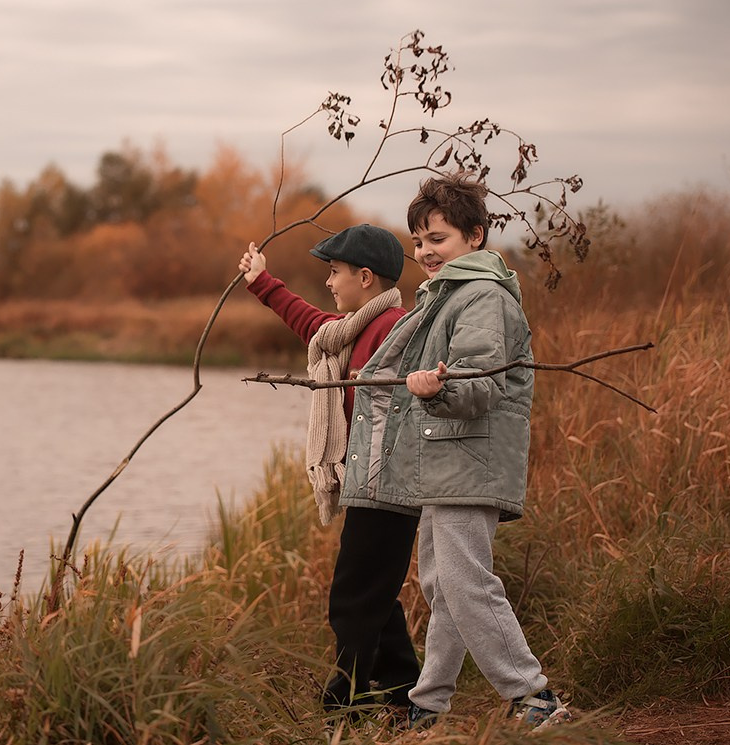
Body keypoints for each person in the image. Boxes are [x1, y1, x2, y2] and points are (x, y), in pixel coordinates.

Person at [345, 173, 571, 730]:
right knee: (440, 583)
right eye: (418, 242)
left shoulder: (482, 297)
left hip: (469, 461)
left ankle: (533, 697)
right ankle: (428, 702)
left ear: (474, 236)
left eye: (437, 240)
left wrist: (438, 387)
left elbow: (481, 384)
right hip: (443, 462)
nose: (424, 252)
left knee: (466, 581)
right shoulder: (445, 296)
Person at [237, 223, 421, 716]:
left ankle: (348, 702)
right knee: (374, 594)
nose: (328, 282)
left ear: (365, 277)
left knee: (352, 599)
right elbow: (312, 325)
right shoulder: (357, 327)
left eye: (334, 272)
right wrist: (262, 282)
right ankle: (404, 692)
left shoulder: (397, 327)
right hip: (370, 481)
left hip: (390, 483)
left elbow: (411, 397)